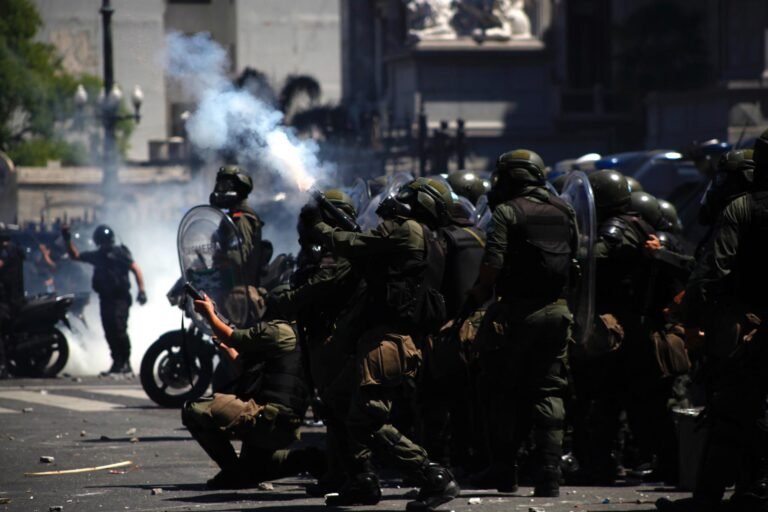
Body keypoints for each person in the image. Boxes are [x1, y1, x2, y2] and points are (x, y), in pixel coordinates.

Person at [300, 177, 460, 511]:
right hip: (386, 339)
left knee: (367, 420)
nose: (399, 200)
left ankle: (433, 476)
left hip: (389, 341)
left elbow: (354, 243)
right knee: (336, 402)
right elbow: (376, 259)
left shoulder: (409, 229)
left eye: (408, 196)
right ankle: (361, 481)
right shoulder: (427, 237)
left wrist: (320, 228)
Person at [656, 130, 768, 512]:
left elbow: (711, 273)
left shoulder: (743, 208)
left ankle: (708, 498)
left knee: (732, 411)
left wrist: (691, 320)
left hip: (747, 323)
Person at [463, 149, 576, 497]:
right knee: (549, 389)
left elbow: (492, 265)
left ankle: (504, 472)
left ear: (514, 178)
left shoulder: (507, 211)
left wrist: (473, 300)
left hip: (515, 313)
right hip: (558, 311)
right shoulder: (565, 210)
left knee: (500, 390)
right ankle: (549, 476)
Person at [183, 288, 324, 490]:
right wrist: (227, 350)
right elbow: (247, 367)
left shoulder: (281, 332)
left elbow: (234, 337)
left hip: (267, 418)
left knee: (194, 410)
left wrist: (209, 315)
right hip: (282, 423)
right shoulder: (300, 337)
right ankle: (310, 459)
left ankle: (233, 472)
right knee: (256, 470)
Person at [62, 224, 146, 375]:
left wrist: (141, 290)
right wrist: (67, 239)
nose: (105, 246)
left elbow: (136, 269)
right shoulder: (97, 256)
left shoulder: (120, 253)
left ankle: (125, 363)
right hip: (106, 299)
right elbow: (75, 256)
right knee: (109, 330)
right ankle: (117, 362)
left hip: (120, 298)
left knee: (119, 329)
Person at [209, 164, 265, 287]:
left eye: (224, 186)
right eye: (219, 185)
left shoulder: (241, 219)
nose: (219, 190)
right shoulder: (232, 217)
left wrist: (216, 259)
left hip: (238, 291)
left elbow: (239, 257)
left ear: (239, 188)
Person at [0, 227, 26, 378]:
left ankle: (2, 366)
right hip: (14, 299)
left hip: (8, 302)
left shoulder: (6, 251)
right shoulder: (15, 249)